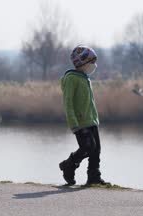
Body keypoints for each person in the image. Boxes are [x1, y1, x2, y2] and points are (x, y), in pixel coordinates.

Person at [58, 45, 106, 186]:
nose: (94, 66)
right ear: (82, 63)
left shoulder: (85, 78)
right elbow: (68, 103)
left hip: (91, 120)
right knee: (87, 147)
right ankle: (69, 165)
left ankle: (94, 176)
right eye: (91, 62)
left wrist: (95, 118)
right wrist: (73, 124)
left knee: (96, 150)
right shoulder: (71, 79)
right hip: (80, 122)